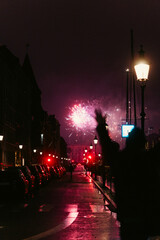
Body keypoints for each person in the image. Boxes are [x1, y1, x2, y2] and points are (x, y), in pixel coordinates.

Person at [95, 109, 149, 240]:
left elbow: (107, 147)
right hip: (145, 215)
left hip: (127, 215)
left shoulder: (121, 160)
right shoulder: (148, 160)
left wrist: (102, 126)